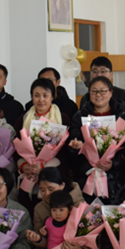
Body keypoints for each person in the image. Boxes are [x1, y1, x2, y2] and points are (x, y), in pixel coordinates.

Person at [69, 76, 125, 202]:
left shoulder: (122, 115)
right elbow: (73, 147)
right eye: (94, 91)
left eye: (103, 91)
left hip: (116, 179)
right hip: (87, 175)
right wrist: (75, 147)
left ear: (110, 92)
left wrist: (114, 163)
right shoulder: (80, 117)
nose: (98, 95)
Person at [14, 78, 73, 216]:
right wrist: (24, 166)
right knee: (29, 212)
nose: (41, 100)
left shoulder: (62, 118)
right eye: (37, 95)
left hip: (54, 176)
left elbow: (64, 153)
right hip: (29, 174)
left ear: (52, 96)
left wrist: (42, 166)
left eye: (45, 95)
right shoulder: (23, 119)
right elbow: (15, 147)